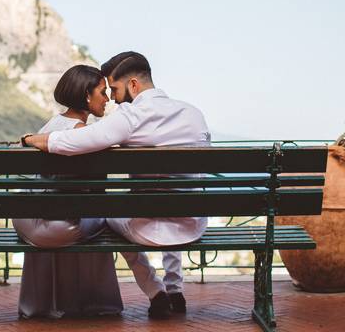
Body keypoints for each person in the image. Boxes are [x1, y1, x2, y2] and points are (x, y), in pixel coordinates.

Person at [21, 51, 211, 319]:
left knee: (111, 217)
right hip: (193, 224)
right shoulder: (193, 114)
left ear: (133, 84)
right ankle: (174, 288)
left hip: (148, 229)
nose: (113, 96)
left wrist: (32, 139)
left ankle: (155, 291)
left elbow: (75, 140)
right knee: (175, 200)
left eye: (115, 88)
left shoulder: (132, 117)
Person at [12, 64, 123, 319]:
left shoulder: (50, 125)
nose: (106, 99)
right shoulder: (83, 134)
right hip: (56, 228)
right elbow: (96, 192)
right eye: (102, 93)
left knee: (68, 210)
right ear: (86, 95)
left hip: (26, 221)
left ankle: (45, 303)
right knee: (104, 221)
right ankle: (94, 302)